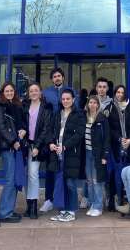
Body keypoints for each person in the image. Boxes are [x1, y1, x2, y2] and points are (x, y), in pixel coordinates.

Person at [41, 67, 77, 213]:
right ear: (52, 79)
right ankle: (49, 199)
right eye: (54, 76)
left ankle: (66, 203)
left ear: (63, 77)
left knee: (66, 174)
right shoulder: (46, 93)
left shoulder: (70, 92)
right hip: (51, 135)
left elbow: (77, 111)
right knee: (50, 171)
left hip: (66, 137)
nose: (57, 78)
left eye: (59, 76)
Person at [48, 89, 85, 222]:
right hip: (57, 153)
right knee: (60, 183)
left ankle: (71, 211)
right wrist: (51, 143)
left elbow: (79, 134)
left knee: (70, 183)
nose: (65, 101)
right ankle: (62, 210)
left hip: (71, 154)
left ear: (73, 99)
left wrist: (65, 146)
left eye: (68, 99)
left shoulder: (79, 114)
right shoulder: (57, 113)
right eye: (63, 99)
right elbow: (51, 130)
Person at [0, 82, 26, 223]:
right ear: (2, 92)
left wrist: (23, 130)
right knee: (9, 179)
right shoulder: (0, 106)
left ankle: (9, 210)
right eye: (6, 91)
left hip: (17, 147)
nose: (9, 93)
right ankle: (4, 213)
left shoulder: (17, 105)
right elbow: (1, 127)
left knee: (14, 179)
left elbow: (21, 123)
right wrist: (13, 141)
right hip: (8, 147)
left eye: (11, 90)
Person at [22, 82, 52, 219]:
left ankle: (33, 207)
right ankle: (28, 206)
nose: (33, 93)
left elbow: (46, 129)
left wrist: (37, 147)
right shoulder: (24, 106)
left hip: (37, 145)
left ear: (40, 92)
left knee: (33, 175)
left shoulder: (46, 108)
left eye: (36, 90)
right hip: (25, 145)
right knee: (27, 175)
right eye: (31, 91)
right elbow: (22, 124)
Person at [109, 85, 130, 205]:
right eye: (118, 92)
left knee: (129, 172)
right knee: (118, 173)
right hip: (117, 145)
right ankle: (119, 199)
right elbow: (110, 128)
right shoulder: (110, 107)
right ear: (115, 93)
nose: (119, 94)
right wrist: (120, 139)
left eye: (122, 92)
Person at [83, 95, 111, 216]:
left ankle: (98, 206)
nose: (92, 105)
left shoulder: (102, 118)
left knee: (97, 180)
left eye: (95, 103)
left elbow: (107, 138)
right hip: (86, 153)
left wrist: (105, 156)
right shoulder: (84, 117)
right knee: (89, 181)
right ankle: (92, 203)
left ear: (98, 105)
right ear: (88, 104)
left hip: (98, 154)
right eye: (90, 102)